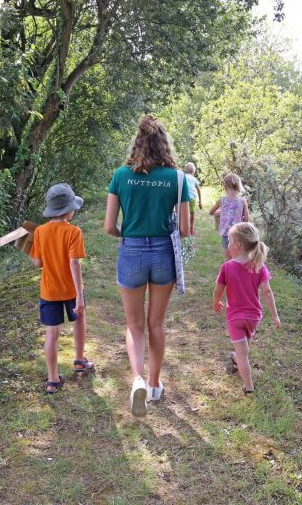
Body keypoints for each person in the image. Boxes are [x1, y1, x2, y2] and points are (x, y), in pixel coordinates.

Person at [104, 115, 191, 416]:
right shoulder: (177, 178)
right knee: (156, 323)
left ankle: (137, 378)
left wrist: (127, 234)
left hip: (131, 250)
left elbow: (108, 227)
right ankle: (154, 384)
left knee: (134, 324)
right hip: (163, 253)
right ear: (164, 143)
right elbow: (185, 228)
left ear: (137, 141)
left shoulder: (120, 176)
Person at [29, 183, 93, 394]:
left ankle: (52, 379)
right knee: (80, 318)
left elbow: (38, 263)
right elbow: (74, 263)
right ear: (68, 210)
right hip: (70, 290)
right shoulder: (74, 232)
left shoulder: (39, 231)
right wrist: (79, 296)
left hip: (49, 290)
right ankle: (79, 360)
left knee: (52, 334)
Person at [212, 222, 280, 395]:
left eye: (229, 241)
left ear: (237, 245)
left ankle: (248, 386)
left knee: (243, 354)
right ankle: (236, 359)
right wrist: (275, 316)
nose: (227, 245)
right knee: (243, 346)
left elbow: (218, 290)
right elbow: (267, 291)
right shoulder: (259, 266)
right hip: (254, 317)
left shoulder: (227, 267)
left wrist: (216, 302)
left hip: (235, 317)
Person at [208, 173, 249, 260]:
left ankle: (229, 271)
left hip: (227, 234)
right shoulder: (242, 201)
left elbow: (211, 212)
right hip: (239, 234)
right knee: (238, 257)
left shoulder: (221, 200)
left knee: (228, 258)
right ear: (238, 186)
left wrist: (218, 212)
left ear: (225, 187)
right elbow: (247, 220)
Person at [183, 162, 203, 235]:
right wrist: (200, 202)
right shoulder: (194, 179)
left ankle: (183, 227)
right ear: (193, 171)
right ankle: (191, 228)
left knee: (183, 212)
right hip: (192, 198)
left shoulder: (183, 176)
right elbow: (198, 190)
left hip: (184, 197)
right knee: (192, 213)